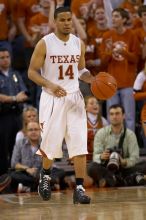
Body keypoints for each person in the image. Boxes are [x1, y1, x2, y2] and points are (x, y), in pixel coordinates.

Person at [28, 6, 94, 204]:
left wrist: (91, 78)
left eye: (69, 20)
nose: (67, 23)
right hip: (52, 98)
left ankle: (80, 188)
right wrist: (49, 84)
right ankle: (45, 175)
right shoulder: (45, 43)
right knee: (50, 144)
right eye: (63, 20)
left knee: (79, 144)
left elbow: (80, 69)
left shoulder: (78, 43)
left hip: (74, 97)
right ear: (55, 22)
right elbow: (31, 72)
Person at [99, 8, 140, 131]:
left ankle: (129, 145)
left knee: (129, 117)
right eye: (113, 16)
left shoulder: (131, 35)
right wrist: (110, 51)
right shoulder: (107, 36)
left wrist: (123, 52)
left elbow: (135, 59)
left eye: (117, 16)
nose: (114, 19)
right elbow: (102, 61)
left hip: (127, 82)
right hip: (111, 83)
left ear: (124, 19)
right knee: (112, 116)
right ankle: (113, 144)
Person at [88, 104, 146, 187]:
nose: (114, 117)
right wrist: (102, 156)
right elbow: (95, 156)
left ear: (123, 116)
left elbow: (134, 157)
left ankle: (111, 180)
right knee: (91, 167)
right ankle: (120, 179)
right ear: (109, 116)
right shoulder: (101, 133)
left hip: (124, 168)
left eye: (117, 113)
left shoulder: (130, 134)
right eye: (111, 114)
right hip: (106, 168)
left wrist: (124, 161)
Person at [0, 47, 28, 175]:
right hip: (3, 116)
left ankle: (16, 177)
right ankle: (3, 177)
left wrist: (15, 99)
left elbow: (24, 93)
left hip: (17, 115)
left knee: (16, 146)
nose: (5, 60)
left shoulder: (15, 74)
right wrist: (14, 98)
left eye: (7, 57)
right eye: (2, 58)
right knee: (3, 148)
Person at [11, 121, 42, 192]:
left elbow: (49, 164)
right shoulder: (20, 143)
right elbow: (14, 163)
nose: (33, 132)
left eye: (36, 129)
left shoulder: (45, 144)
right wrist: (27, 169)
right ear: (26, 132)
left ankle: (28, 187)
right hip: (25, 174)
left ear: (40, 131)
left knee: (58, 172)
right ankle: (36, 186)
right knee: (12, 175)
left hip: (40, 174)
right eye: (31, 130)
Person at [85, 96, 108, 162]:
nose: (95, 105)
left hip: (100, 155)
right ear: (85, 107)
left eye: (97, 103)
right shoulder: (81, 121)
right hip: (85, 155)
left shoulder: (103, 121)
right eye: (92, 103)